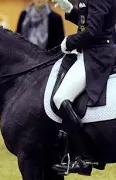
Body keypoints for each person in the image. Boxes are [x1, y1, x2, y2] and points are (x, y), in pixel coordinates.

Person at [52, 0, 116, 176]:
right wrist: (70, 9)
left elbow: (93, 31)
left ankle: (84, 157)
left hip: (96, 56)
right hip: (89, 52)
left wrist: (69, 41)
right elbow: (90, 20)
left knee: (60, 98)